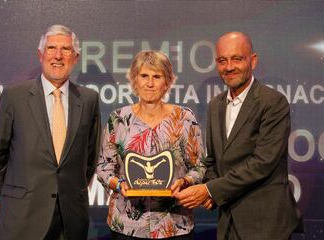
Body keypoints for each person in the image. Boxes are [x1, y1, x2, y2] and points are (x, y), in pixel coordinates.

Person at [175, 32, 302, 239]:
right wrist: (199, 185)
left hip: (266, 224)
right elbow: (215, 160)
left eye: (237, 59)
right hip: (228, 220)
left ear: (253, 60)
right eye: (222, 61)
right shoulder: (215, 105)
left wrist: (209, 191)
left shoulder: (273, 102)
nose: (229, 67)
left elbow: (262, 163)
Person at [0, 24, 101, 240]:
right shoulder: (14, 96)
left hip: (70, 220)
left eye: (66, 49)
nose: (58, 56)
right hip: (22, 218)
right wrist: (16, 197)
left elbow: (90, 158)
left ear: (75, 57)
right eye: (51, 48)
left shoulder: (89, 99)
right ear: (40, 55)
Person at [96, 50, 205, 239]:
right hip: (127, 225)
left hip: (174, 224)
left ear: (167, 82)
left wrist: (185, 181)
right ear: (135, 80)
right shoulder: (119, 119)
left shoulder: (184, 118)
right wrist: (119, 183)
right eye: (144, 76)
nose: (150, 83)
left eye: (157, 76)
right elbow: (104, 167)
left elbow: (199, 166)